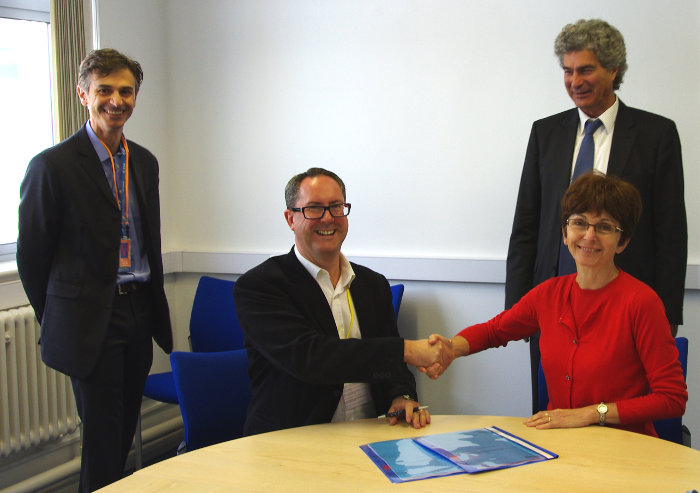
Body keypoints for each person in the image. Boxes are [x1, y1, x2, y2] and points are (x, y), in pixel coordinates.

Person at [505, 19, 687, 413]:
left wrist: (668, 313)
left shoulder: (656, 134)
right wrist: (517, 305)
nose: (575, 81)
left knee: (619, 416)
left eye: (585, 69)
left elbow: (671, 231)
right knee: (551, 413)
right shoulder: (545, 132)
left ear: (613, 70)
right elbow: (527, 224)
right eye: (567, 71)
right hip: (553, 304)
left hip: (623, 310)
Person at [425, 172, 687, 437]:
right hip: (562, 445)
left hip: (625, 449)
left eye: (605, 227)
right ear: (564, 233)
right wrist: (451, 348)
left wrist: (589, 414)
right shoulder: (548, 294)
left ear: (623, 241)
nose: (589, 235)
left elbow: (672, 398)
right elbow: (495, 331)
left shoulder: (642, 302)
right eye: (579, 223)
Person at [17, 49, 172, 492]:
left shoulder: (143, 162)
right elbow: (33, 258)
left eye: (126, 91)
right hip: (91, 321)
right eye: (105, 90)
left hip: (139, 310)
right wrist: (62, 317)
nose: (116, 101)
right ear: (83, 94)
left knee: (122, 429)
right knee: (103, 438)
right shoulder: (52, 166)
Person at [233, 167, 449, 436]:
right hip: (292, 441)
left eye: (336, 207)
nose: (328, 218)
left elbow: (394, 368)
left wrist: (401, 396)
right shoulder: (260, 286)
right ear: (290, 219)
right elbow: (310, 358)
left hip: (370, 437)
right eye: (313, 209)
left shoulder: (373, 284)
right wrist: (405, 349)